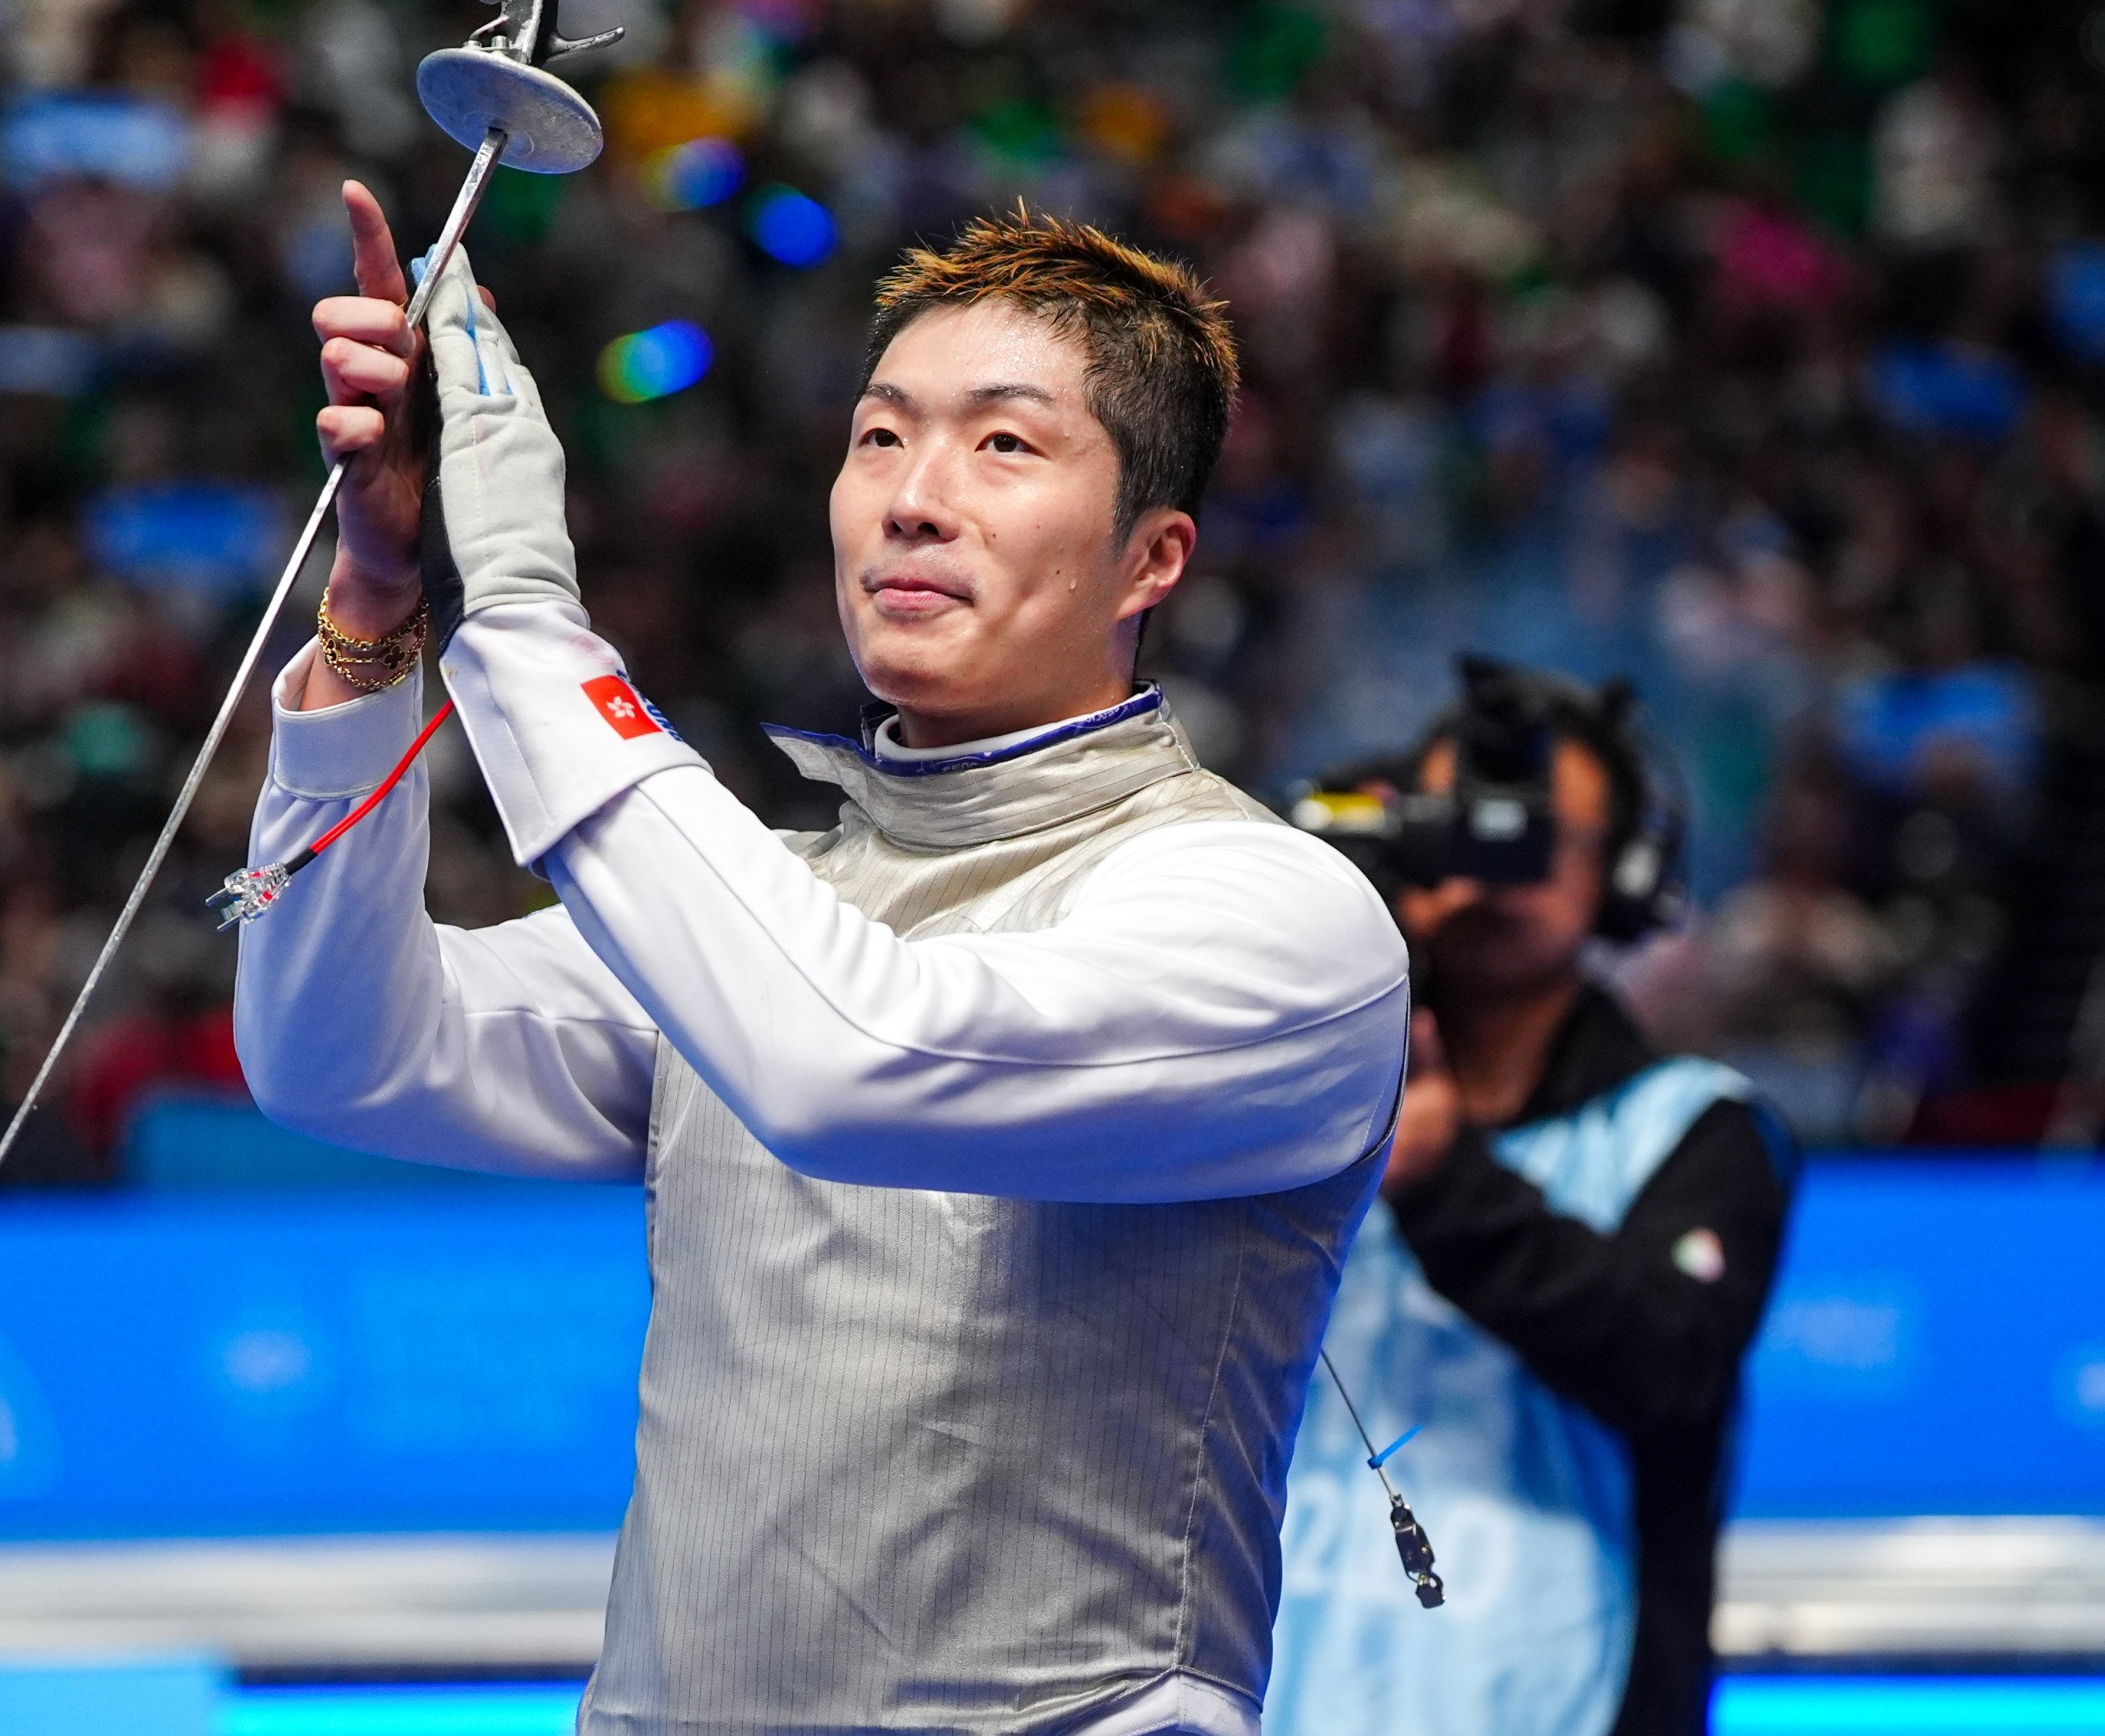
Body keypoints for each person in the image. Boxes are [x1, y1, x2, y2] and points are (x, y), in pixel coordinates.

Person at [234, 188, 1411, 1736]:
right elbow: (343, 1057)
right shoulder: (768, 914)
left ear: (1150, 560)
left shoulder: (1272, 922)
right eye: (878, 438)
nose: (913, 499)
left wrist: (519, 607)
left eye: (1002, 444)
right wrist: (382, 614)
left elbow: (852, 1061)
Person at [1263, 663, 1796, 1736]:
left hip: (1568, 1695)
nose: (1498, 872)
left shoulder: (1695, 1126)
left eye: (1541, 835)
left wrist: (1444, 1174)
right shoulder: (1291, 1108)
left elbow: (1670, 1357)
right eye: (1469, 830)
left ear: (1627, 872)